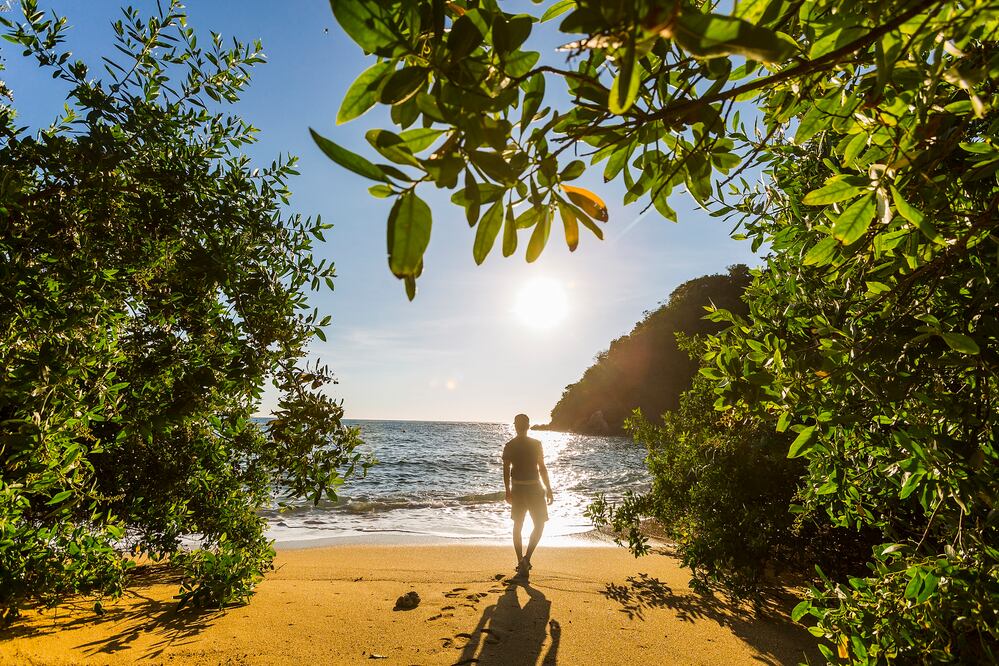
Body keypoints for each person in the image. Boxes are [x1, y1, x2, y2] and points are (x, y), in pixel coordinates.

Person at [502, 414, 554, 577]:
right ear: (528, 425)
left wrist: (507, 490)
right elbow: (542, 468)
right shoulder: (536, 444)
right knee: (539, 525)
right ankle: (526, 559)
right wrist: (549, 488)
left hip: (518, 490)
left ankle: (520, 561)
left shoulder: (509, 445)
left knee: (518, 525)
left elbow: (505, 470)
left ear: (516, 426)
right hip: (534, 489)